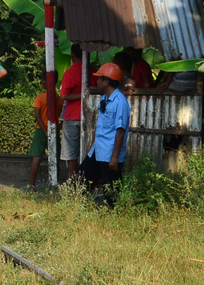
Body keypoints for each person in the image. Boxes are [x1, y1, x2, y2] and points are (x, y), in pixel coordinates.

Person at [82, 62, 130, 202]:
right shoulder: (104, 99)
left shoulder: (120, 102)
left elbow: (120, 131)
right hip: (99, 150)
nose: (96, 81)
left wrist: (114, 157)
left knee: (111, 191)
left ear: (106, 82)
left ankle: (114, 216)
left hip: (109, 154)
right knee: (81, 178)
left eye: (99, 79)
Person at [59, 43, 85, 180]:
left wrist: (80, 95)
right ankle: (86, 180)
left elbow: (63, 95)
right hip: (88, 116)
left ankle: (74, 181)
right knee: (86, 150)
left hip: (72, 116)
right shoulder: (92, 71)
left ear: (73, 56)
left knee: (71, 153)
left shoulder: (70, 72)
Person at [28, 88, 53, 186]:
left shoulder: (40, 97)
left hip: (40, 129)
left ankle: (32, 184)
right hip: (53, 129)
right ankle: (55, 182)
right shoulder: (58, 98)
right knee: (55, 157)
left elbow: (37, 115)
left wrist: (44, 130)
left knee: (37, 157)